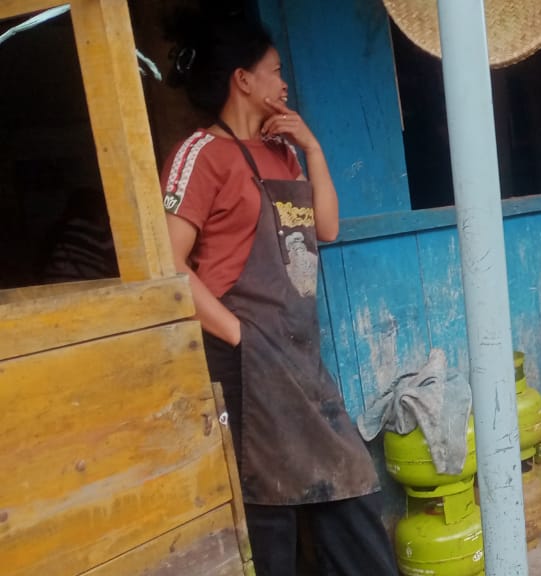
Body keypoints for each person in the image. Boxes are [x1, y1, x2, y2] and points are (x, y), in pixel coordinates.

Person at [159, 11, 395, 575]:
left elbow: (327, 228)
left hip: (297, 354)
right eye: (276, 70)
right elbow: (166, 265)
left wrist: (313, 149)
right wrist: (240, 337)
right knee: (269, 518)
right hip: (243, 361)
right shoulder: (200, 154)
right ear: (243, 79)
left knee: (349, 488)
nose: (284, 84)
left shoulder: (283, 152)